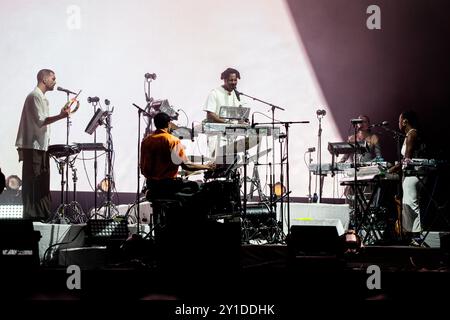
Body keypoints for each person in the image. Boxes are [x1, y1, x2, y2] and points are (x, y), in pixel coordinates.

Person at [15, 69, 71, 221]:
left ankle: (41, 215)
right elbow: (41, 120)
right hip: (33, 147)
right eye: (53, 78)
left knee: (41, 181)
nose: (55, 81)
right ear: (44, 79)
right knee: (34, 182)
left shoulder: (41, 98)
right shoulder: (35, 96)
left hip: (40, 147)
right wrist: (61, 116)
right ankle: (32, 218)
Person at [141, 112, 215, 200]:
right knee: (199, 186)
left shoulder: (146, 141)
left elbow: (142, 168)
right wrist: (206, 167)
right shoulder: (172, 140)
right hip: (169, 185)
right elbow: (187, 165)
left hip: (152, 185)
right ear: (169, 124)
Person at [390, 110, 425, 245]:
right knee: (407, 204)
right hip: (410, 174)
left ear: (405, 121)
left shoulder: (412, 134)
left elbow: (407, 160)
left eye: (399, 120)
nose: (398, 123)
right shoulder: (409, 135)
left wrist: (392, 169)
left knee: (411, 203)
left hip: (415, 174)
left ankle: (416, 237)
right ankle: (411, 236)